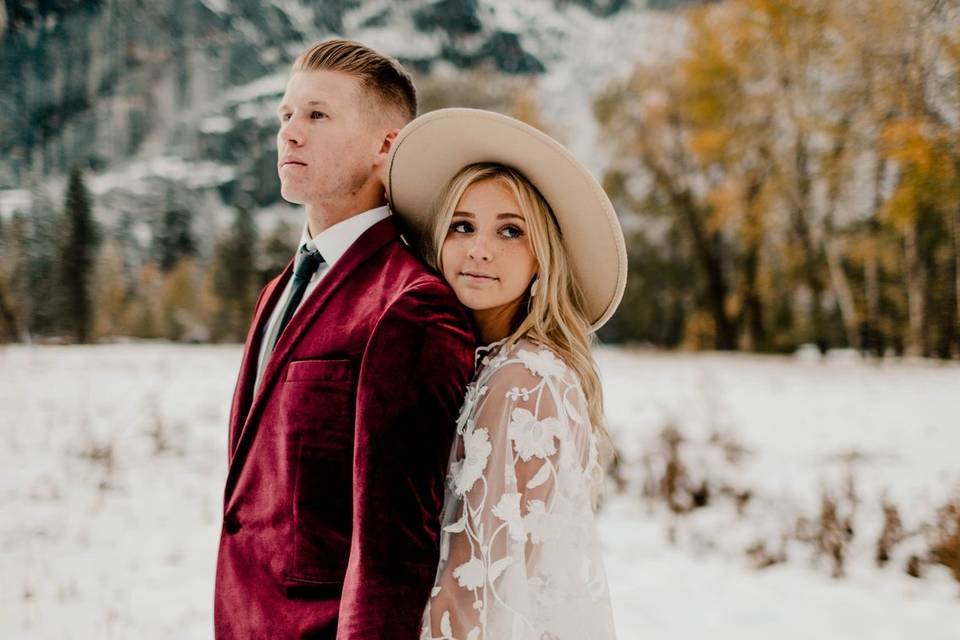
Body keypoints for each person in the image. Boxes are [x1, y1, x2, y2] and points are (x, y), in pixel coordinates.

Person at [213, 42, 476, 639]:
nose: (290, 134)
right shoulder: (281, 287)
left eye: (317, 116)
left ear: (386, 145)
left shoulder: (409, 306)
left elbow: (395, 549)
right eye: (285, 115)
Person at [386, 108, 627, 639]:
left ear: (542, 257)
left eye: (510, 231)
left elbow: (476, 588)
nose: (479, 249)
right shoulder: (486, 365)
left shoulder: (522, 381)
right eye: (463, 225)